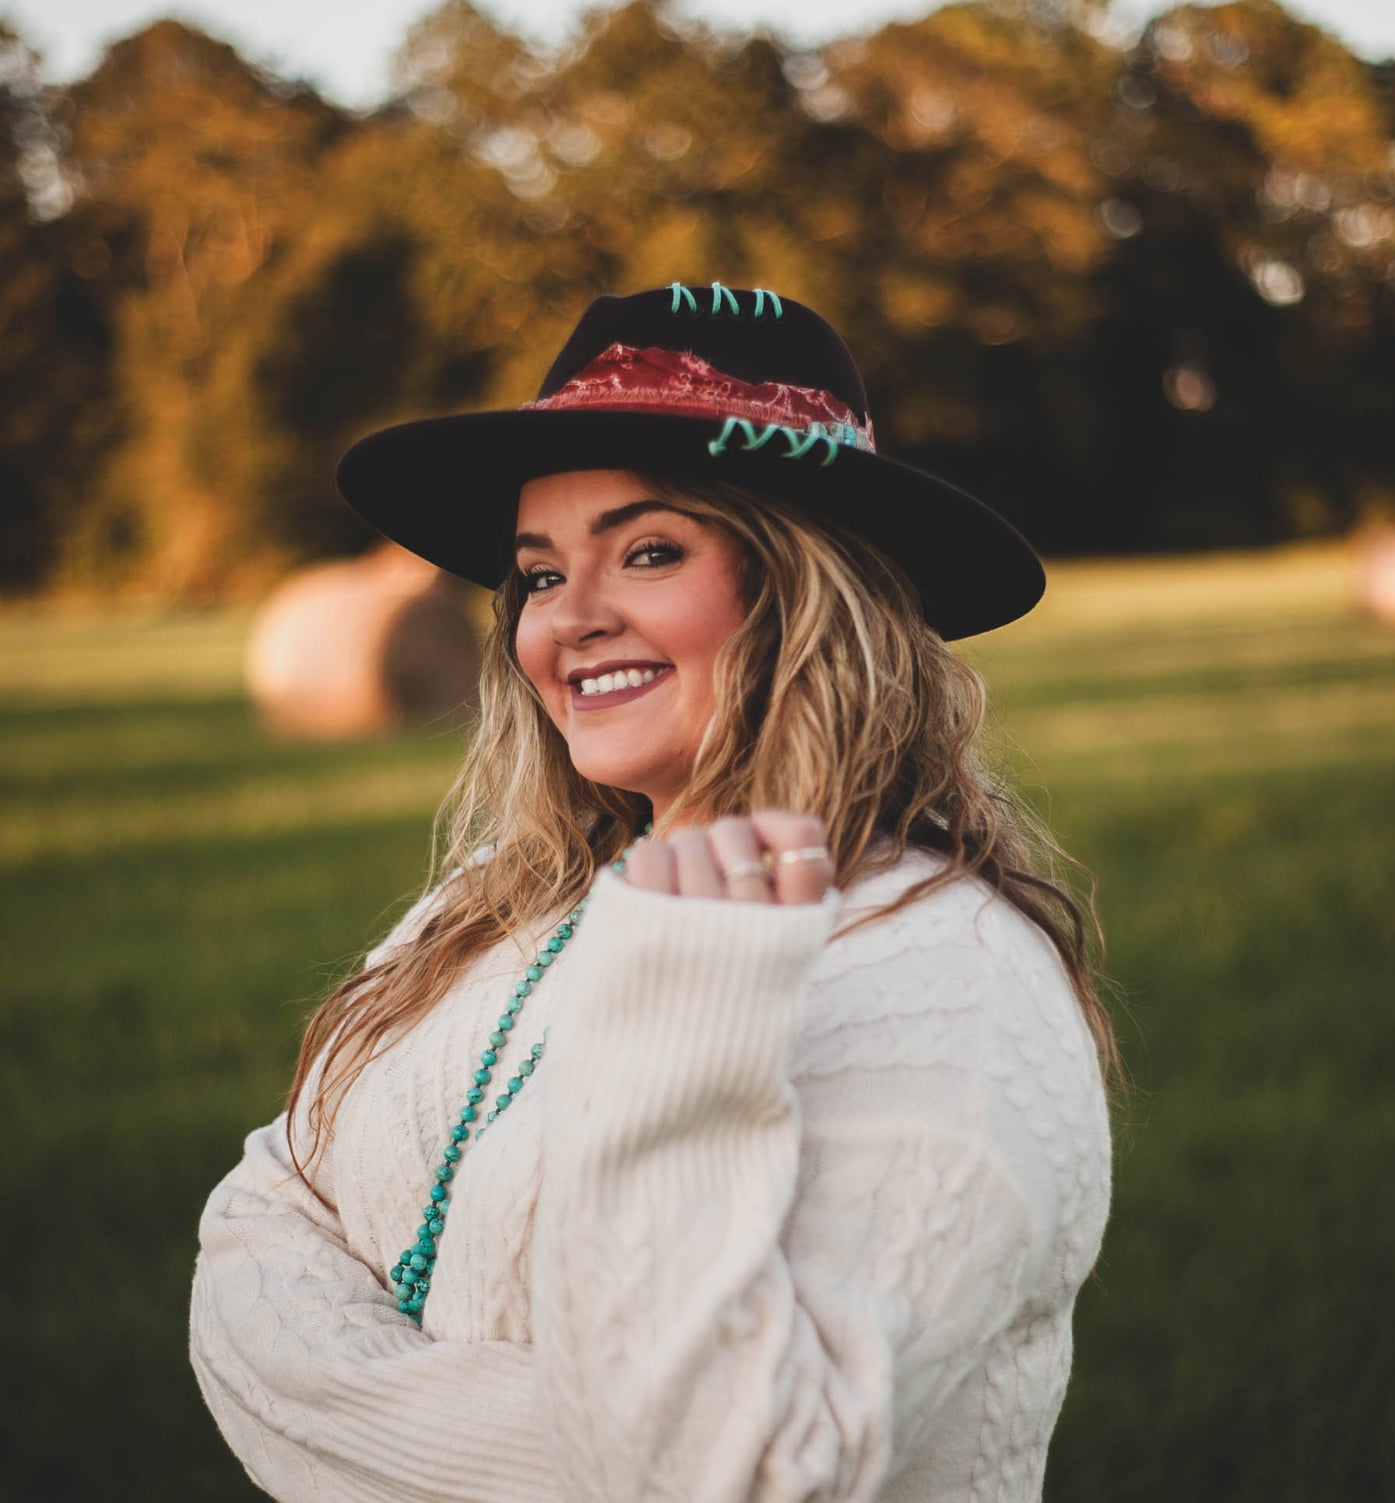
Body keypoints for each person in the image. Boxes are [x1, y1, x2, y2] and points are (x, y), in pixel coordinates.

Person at [190, 283, 1116, 1503]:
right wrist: (582, 1449)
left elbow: (720, 1479)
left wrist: (689, 1004)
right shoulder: (493, 908)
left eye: (647, 551)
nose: (567, 619)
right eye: (534, 574)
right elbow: (255, 1230)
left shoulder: (946, 981)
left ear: (807, 588)